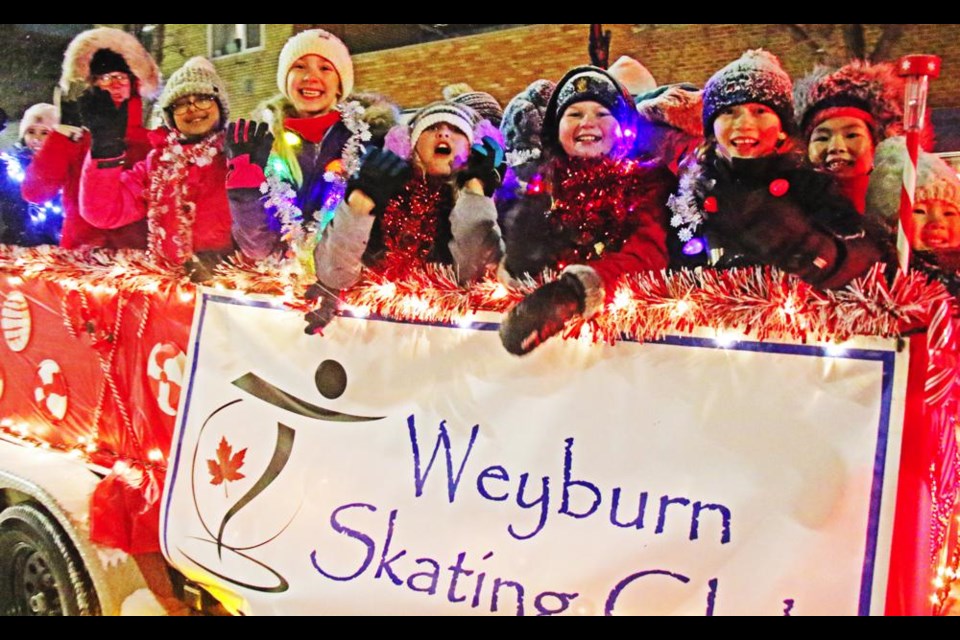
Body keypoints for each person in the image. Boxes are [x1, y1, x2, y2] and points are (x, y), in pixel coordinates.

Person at [666, 49, 883, 286]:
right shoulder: (692, 194)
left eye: (760, 111)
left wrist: (809, 246)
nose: (744, 124)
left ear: (782, 126)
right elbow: (675, 266)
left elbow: (862, 258)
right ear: (712, 128)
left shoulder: (810, 185)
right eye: (729, 112)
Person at [497, 65, 674, 356]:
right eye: (574, 114)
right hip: (558, 348)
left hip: (628, 344)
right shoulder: (545, 182)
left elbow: (648, 253)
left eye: (603, 114)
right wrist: (517, 262)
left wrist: (576, 290)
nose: (588, 122)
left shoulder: (648, 179)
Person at [305, 100, 505, 334]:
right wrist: (360, 205)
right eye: (431, 128)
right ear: (410, 144)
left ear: (473, 147)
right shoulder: (385, 194)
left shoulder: (493, 201)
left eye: (456, 129)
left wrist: (474, 192)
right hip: (377, 332)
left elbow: (476, 280)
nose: (443, 133)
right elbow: (334, 273)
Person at [226, 28, 394, 261]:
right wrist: (244, 193)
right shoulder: (261, 144)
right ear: (285, 80)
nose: (310, 77)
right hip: (278, 284)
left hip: (353, 285)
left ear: (340, 85)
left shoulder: (371, 142)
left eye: (325, 68)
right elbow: (258, 249)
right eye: (299, 66)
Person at [79, 57, 233, 275]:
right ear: (170, 116)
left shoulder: (237, 157)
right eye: (180, 103)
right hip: (168, 289)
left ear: (220, 105)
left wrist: (224, 261)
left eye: (203, 98)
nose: (192, 108)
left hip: (229, 293)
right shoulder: (158, 165)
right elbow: (104, 211)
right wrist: (105, 151)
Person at [22, 27, 160, 250]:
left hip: (137, 263)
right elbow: (35, 192)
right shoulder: (73, 140)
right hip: (80, 259)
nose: (113, 84)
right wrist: (64, 131)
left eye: (119, 77)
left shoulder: (152, 142)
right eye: (103, 78)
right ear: (91, 85)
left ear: (134, 84)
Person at [794, 60, 912, 213]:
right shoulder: (790, 210)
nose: (836, 147)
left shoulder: (904, 209)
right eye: (822, 138)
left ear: (876, 145)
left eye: (851, 135)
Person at [867, 136, 960, 254]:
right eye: (919, 211)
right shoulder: (878, 268)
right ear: (888, 222)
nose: (937, 223)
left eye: (949, 213)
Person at [0, 103, 63, 245]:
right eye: (31, 131)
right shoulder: (12, 165)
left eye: (44, 133)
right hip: (18, 243)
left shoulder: (65, 167)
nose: (36, 139)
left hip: (59, 245)